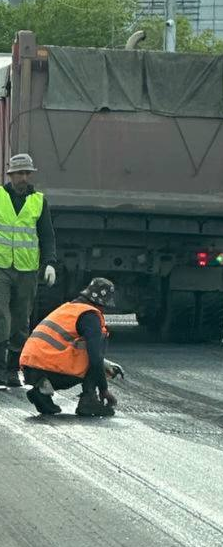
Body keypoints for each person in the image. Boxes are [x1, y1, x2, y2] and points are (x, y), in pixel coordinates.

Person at [20, 277, 123, 417]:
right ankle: (89, 400)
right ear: (102, 304)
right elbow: (95, 358)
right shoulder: (90, 316)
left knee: (94, 353)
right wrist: (103, 389)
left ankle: (42, 392)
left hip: (30, 368)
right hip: (51, 369)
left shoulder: (68, 308)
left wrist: (105, 363)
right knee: (99, 343)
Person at [0, 153, 57, 388]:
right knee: (1, 317)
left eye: (26, 173)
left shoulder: (38, 201)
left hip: (27, 270)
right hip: (1, 267)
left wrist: (50, 263)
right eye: (19, 173)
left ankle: (13, 369)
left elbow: (47, 236)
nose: (23, 177)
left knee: (21, 321)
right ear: (10, 175)